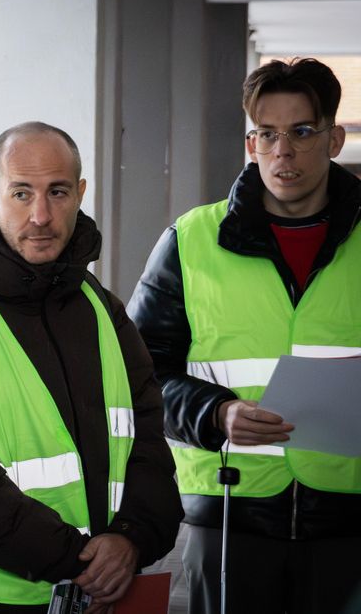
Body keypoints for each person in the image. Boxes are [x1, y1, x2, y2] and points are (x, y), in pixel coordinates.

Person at [0, 122, 181, 613]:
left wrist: (131, 538)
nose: (41, 215)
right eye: (21, 193)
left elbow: (148, 443)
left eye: (58, 192)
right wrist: (79, 563)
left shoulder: (103, 310)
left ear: (80, 194)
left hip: (96, 592)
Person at [128, 58, 361, 613]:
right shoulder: (191, 240)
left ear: (334, 138)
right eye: (267, 134)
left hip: (351, 516)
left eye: (302, 132)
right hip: (229, 511)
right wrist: (215, 414)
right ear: (251, 144)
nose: (283, 151)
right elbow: (138, 373)